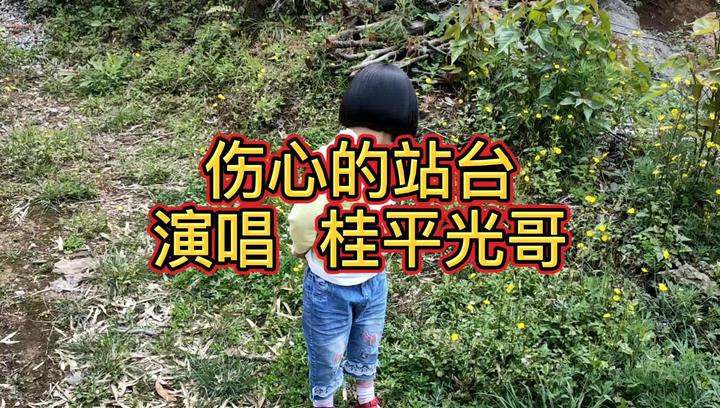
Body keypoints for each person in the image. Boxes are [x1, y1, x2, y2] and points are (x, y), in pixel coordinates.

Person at [288, 62, 418, 408]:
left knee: (357, 342)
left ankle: (364, 395)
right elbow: (303, 216)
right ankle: (331, 401)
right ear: (391, 128)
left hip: (368, 277)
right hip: (331, 286)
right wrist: (301, 247)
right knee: (335, 348)